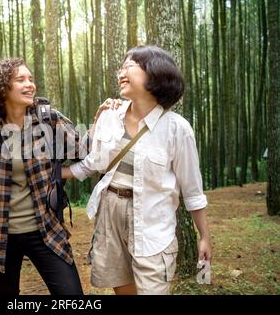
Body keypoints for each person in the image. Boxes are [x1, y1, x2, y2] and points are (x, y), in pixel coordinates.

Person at [62, 45, 212, 295]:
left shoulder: (177, 129)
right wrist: (56, 173)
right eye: (121, 67)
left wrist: (204, 236)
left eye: (129, 66)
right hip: (110, 214)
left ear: (154, 74)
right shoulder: (110, 116)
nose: (121, 72)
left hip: (152, 221)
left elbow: (193, 190)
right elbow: (95, 163)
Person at [0, 58, 108, 295]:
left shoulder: (48, 118)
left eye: (31, 79)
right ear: (1, 88)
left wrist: (101, 122)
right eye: (21, 80)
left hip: (45, 229)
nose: (30, 84)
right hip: (1, 232)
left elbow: (84, 150)